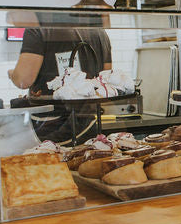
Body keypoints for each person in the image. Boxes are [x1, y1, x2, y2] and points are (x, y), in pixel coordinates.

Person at [7, 11, 112, 144]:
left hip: (51, 125)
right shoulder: (100, 32)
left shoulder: (38, 29)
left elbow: (23, 80)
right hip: (89, 122)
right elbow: (106, 79)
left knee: (55, 164)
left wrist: (12, 73)